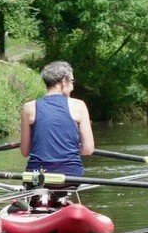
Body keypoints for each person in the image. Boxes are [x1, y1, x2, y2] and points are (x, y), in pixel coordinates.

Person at [19, 61, 95, 203]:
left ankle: (38, 200)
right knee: (65, 182)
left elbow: (24, 151)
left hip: (36, 176)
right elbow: (88, 149)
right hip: (70, 176)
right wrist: (68, 147)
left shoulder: (28, 107)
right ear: (63, 81)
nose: (72, 86)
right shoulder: (78, 105)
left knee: (35, 183)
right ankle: (60, 200)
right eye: (72, 81)